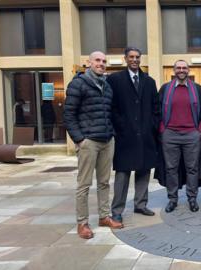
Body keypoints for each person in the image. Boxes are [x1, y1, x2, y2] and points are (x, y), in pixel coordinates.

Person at [64, 51, 122, 239]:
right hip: (89, 141)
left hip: (107, 140)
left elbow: (109, 112)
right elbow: (69, 115)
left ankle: (104, 217)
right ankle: (82, 223)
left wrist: (112, 133)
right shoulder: (78, 84)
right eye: (97, 60)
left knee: (104, 182)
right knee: (84, 184)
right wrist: (80, 139)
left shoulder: (106, 85)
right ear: (88, 63)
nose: (101, 63)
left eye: (104, 61)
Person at [107, 47, 160, 224]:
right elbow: (111, 107)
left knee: (144, 171)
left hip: (146, 135)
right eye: (131, 57)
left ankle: (141, 204)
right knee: (122, 174)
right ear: (125, 59)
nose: (135, 60)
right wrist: (120, 126)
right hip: (125, 136)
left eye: (137, 57)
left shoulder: (149, 81)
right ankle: (117, 210)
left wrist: (152, 126)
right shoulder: (115, 80)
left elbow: (155, 108)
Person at [156, 60, 201, 213]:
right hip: (170, 135)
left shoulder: (197, 89)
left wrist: (199, 130)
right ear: (174, 70)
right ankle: (172, 199)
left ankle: (192, 198)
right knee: (171, 168)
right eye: (178, 68)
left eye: (184, 68)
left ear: (189, 70)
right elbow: (157, 110)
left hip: (191, 135)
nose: (181, 70)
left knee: (192, 168)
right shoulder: (165, 89)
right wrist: (162, 130)